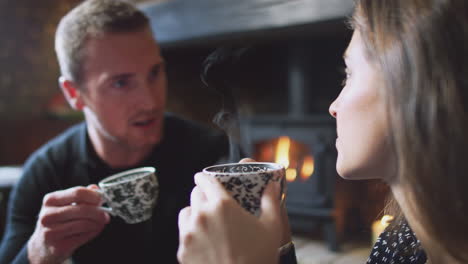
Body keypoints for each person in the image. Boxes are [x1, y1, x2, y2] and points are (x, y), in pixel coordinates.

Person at [177, 0, 468, 263]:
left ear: (413, 88)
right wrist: (280, 248)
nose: (333, 106)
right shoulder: (405, 239)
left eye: (348, 75)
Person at [0, 0, 232, 263]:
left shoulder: (209, 155)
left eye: (155, 72)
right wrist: (39, 251)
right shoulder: (47, 173)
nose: (151, 102)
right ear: (74, 94)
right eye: (121, 83)